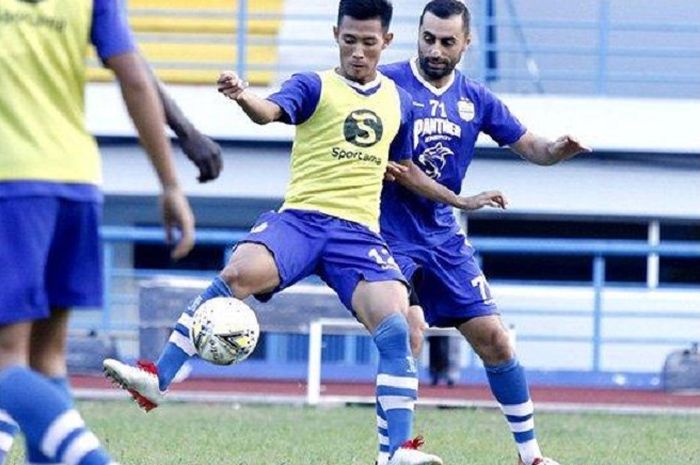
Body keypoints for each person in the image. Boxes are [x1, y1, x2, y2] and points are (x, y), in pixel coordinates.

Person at [102, 1, 507, 463]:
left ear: (387, 42)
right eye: (349, 40)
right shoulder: (314, 85)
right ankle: (158, 380)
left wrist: (461, 201)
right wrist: (242, 96)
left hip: (358, 233)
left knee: (397, 326)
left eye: (368, 43)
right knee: (238, 275)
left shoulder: (398, 100)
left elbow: (408, 169)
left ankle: (396, 451)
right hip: (303, 220)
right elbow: (269, 110)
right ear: (336, 34)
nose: (357, 52)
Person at [376, 1, 592, 465]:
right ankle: (396, 453)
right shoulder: (387, 84)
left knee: (495, 339)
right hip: (388, 230)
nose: (435, 49)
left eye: (447, 41)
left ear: (466, 43)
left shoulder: (477, 99)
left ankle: (529, 455)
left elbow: (531, 145)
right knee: (407, 329)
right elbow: (404, 170)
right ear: (417, 34)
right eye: (428, 38)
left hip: (441, 237)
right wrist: (465, 200)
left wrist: (557, 150)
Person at [0, 0, 200, 463]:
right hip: (76, 182)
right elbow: (133, 76)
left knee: (5, 361)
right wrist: (170, 184)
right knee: (44, 359)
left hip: (11, 183)